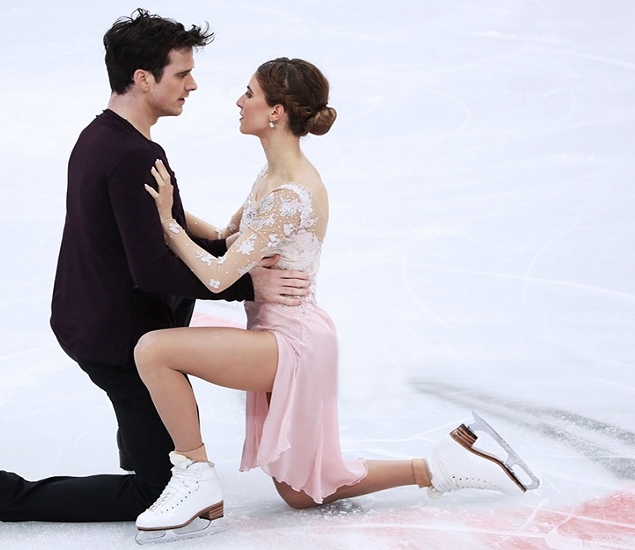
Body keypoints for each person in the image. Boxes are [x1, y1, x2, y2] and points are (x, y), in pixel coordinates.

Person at [0, 10, 310, 523]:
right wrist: (247, 286)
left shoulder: (102, 136)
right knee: (154, 489)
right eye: (182, 74)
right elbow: (153, 270)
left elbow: (155, 223)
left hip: (94, 316)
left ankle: (143, 444)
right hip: (117, 337)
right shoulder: (131, 156)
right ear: (143, 78)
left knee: (155, 432)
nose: (192, 85)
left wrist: (217, 241)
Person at [132, 57, 540, 534]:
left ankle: (194, 474)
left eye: (249, 93)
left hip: (292, 342)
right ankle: (440, 466)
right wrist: (166, 207)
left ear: (276, 111)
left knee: (154, 350)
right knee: (301, 493)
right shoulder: (271, 177)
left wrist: (166, 223)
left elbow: (219, 276)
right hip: (283, 333)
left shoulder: (291, 195)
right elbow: (226, 237)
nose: (239, 102)